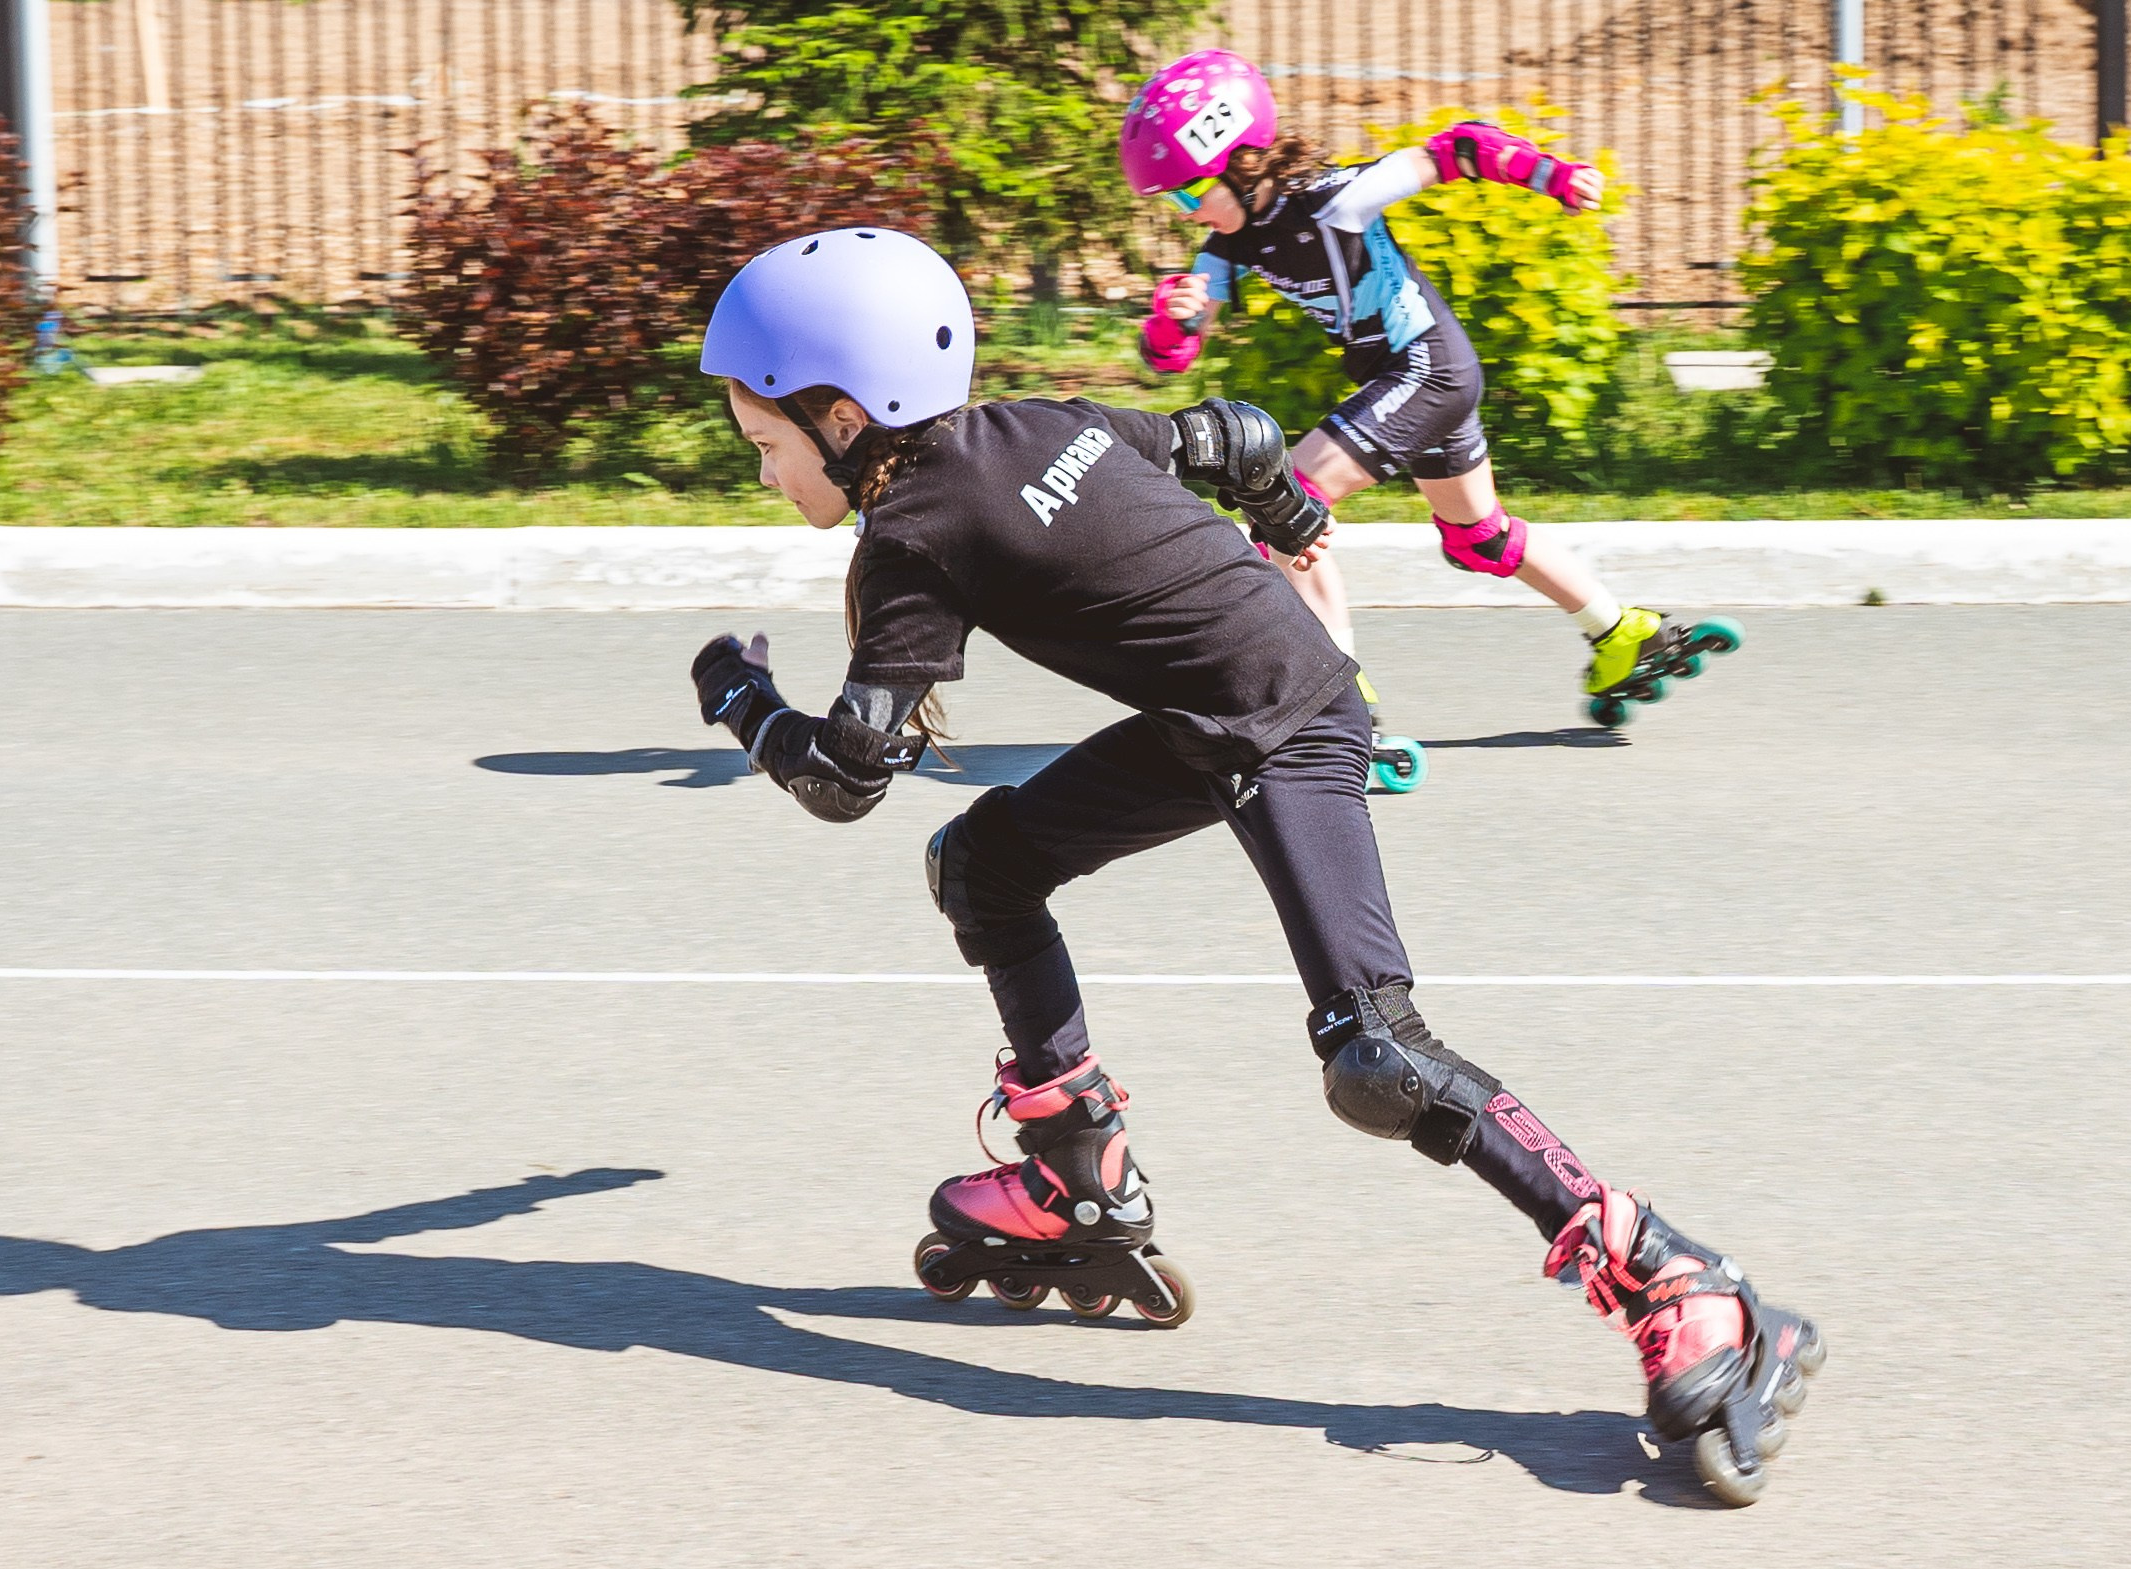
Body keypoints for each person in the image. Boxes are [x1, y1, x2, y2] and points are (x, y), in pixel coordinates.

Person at [688, 226, 1822, 1504]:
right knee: (986, 865)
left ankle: (1682, 1283)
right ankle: (1080, 1186)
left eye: (765, 446)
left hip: (1285, 728)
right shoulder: (1026, 425)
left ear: (842, 418)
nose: (766, 473)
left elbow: (844, 780)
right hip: (1211, 720)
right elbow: (1229, 434)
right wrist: (1284, 526)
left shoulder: (911, 535)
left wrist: (736, 694)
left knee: (1376, 1056)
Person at [1121, 48, 1742, 730]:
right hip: (1415, 379)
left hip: (1424, 368)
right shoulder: (1229, 242)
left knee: (1285, 499)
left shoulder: (1335, 200)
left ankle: (1339, 705)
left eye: (1186, 193)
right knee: (1480, 537)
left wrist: (1551, 176)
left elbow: (1458, 150)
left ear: (1238, 163)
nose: (1183, 214)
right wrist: (1171, 320)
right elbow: (1177, 353)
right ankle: (1623, 633)